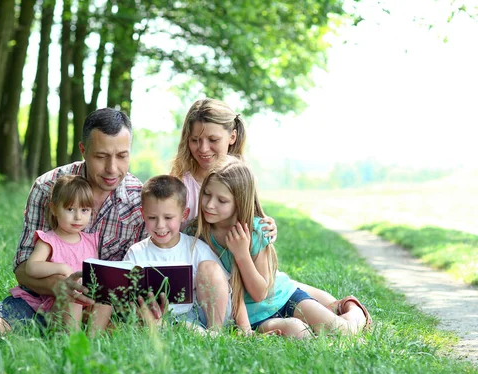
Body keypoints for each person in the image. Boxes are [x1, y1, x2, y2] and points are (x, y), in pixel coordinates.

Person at [169, 98, 369, 323]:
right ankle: (334, 311)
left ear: (231, 136)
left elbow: (251, 217)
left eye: (213, 139)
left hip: (250, 274)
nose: (203, 148)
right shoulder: (182, 187)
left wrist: (265, 226)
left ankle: (348, 310)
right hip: (220, 277)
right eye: (195, 140)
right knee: (280, 295)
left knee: (284, 289)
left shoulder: (237, 173)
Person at [0, 108, 155, 333]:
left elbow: (145, 271)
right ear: (83, 150)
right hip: (43, 301)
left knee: (145, 330)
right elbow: (22, 268)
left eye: (122, 156)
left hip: (107, 309)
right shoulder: (48, 187)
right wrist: (57, 286)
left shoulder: (141, 199)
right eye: (101, 156)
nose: (112, 168)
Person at [195, 159, 372, 337]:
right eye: (207, 194)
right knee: (299, 333)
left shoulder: (256, 231)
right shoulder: (198, 233)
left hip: (283, 299)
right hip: (253, 318)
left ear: (240, 202)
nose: (210, 204)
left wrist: (242, 254)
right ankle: (322, 312)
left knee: (342, 331)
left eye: (222, 200)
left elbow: (259, 293)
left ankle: (353, 308)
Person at [123, 175, 251, 333]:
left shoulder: (195, 247)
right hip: (157, 320)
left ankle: (214, 332)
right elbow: (126, 297)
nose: (160, 225)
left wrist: (245, 327)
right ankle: (196, 333)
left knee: (210, 268)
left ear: (184, 215)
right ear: (143, 214)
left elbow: (228, 286)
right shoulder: (137, 253)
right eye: (152, 218)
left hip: (198, 315)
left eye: (168, 217)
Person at [8, 175, 112, 334]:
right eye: (70, 209)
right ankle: (74, 341)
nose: (78, 217)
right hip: (57, 303)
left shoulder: (91, 240)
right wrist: (61, 268)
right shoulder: (48, 240)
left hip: (86, 302)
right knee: (72, 299)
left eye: (84, 210)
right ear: (54, 208)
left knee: (105, 302)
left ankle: (92, 340)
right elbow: (31, 267)